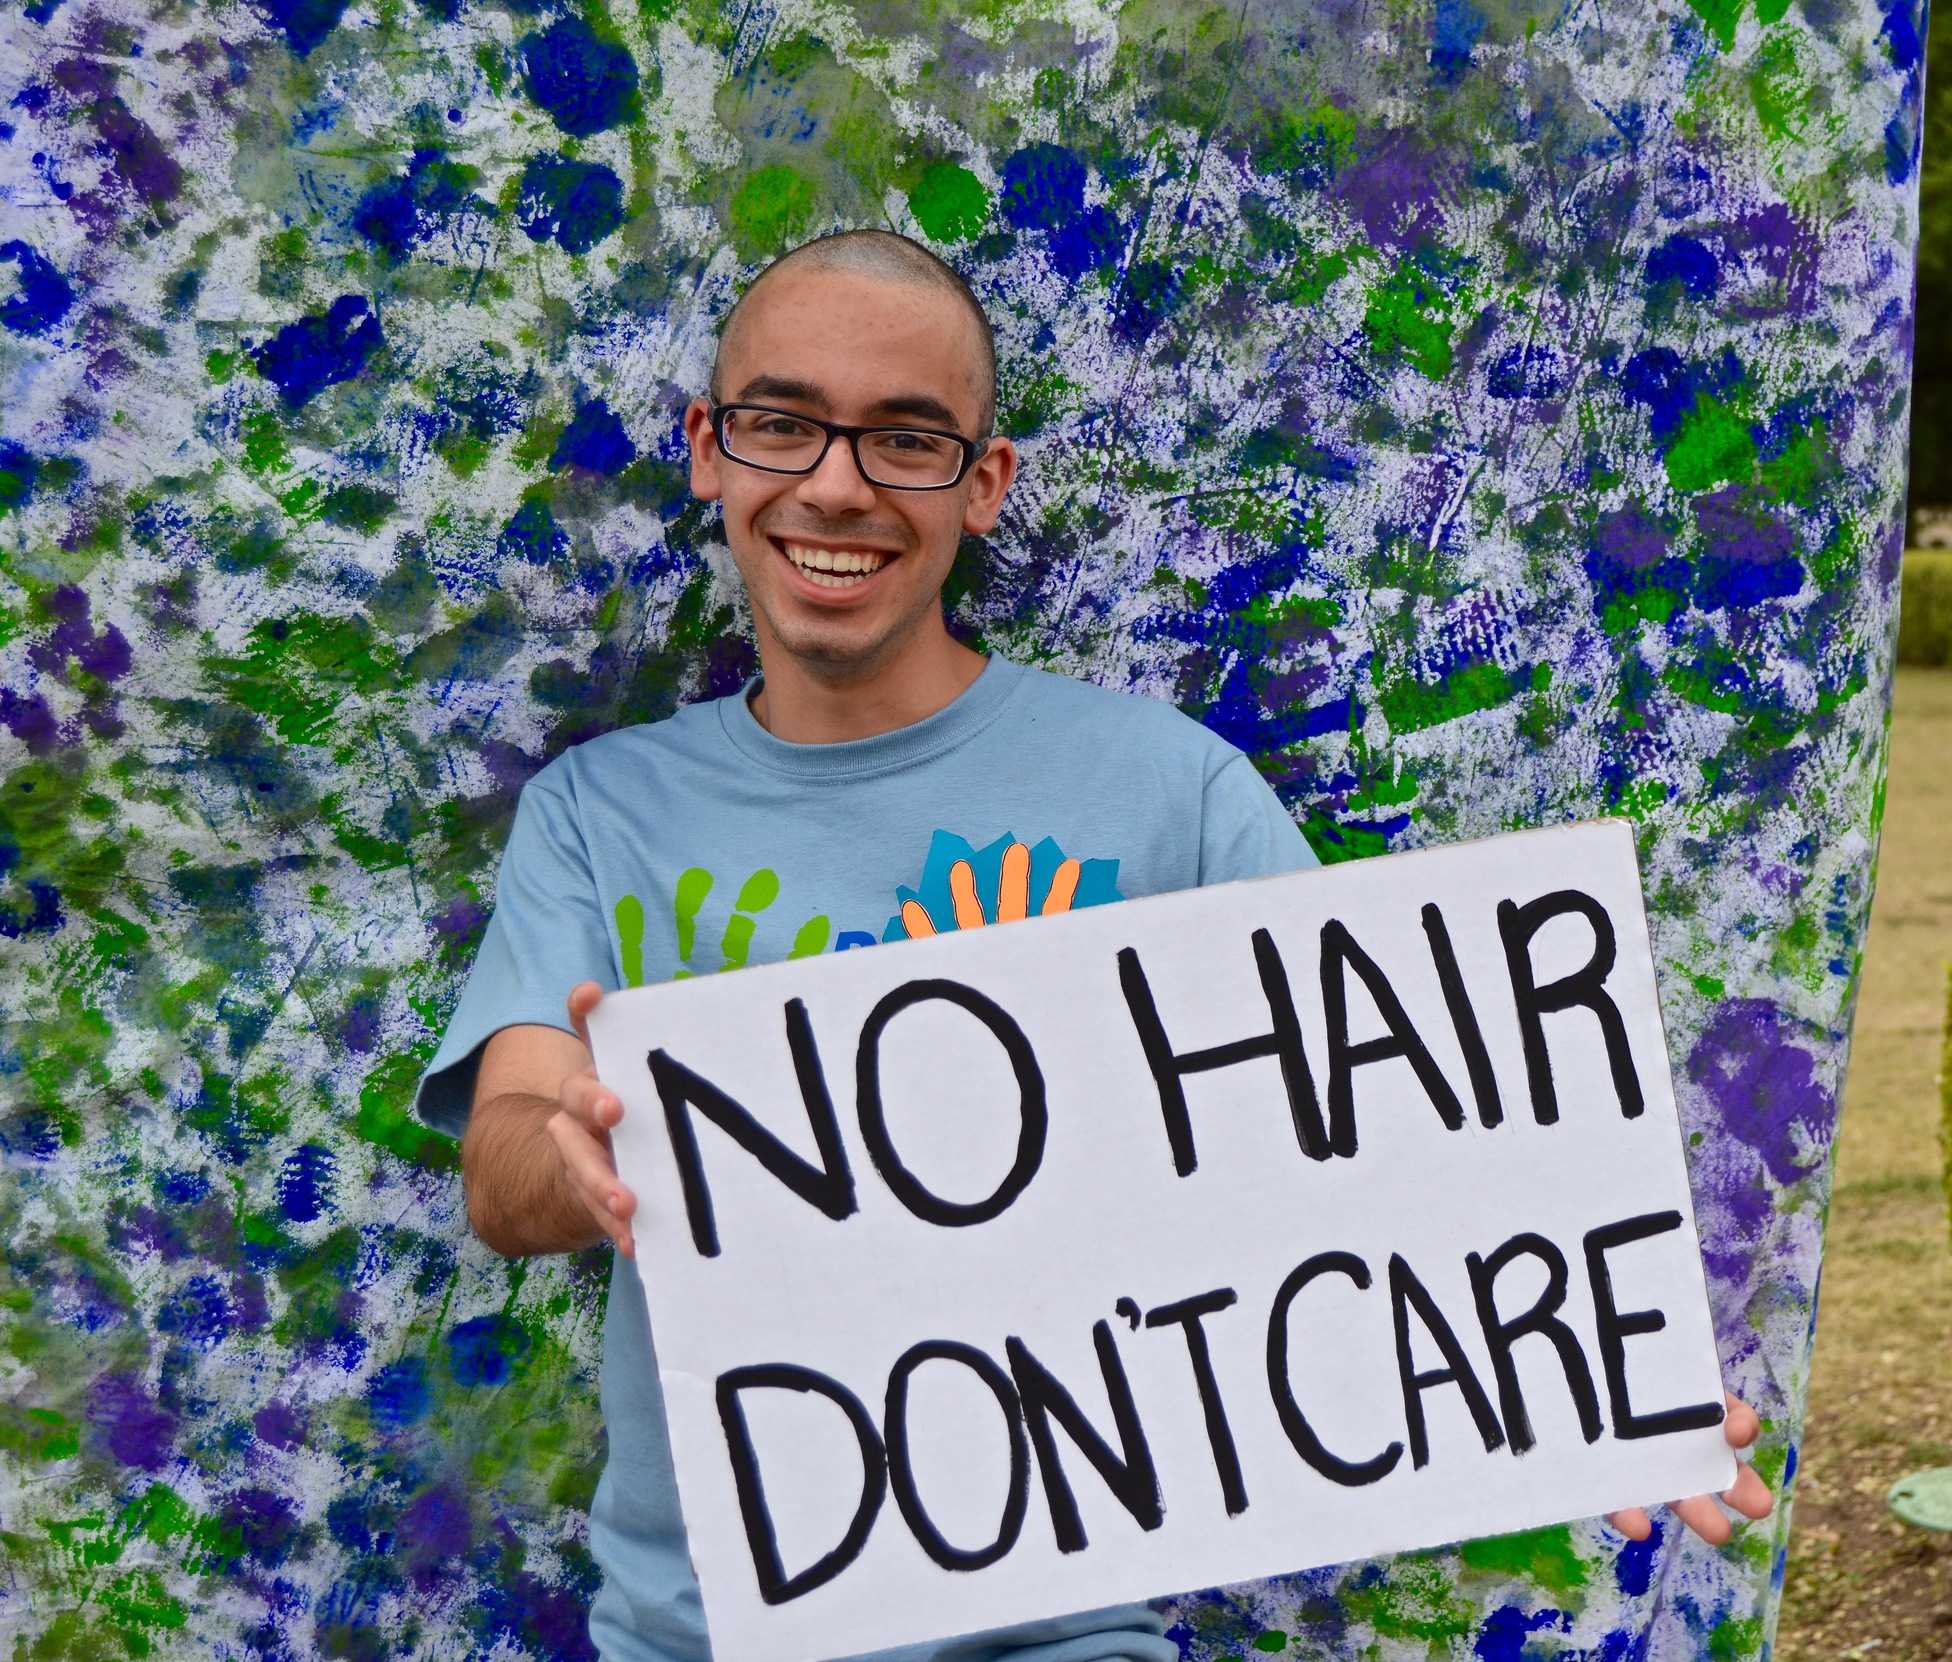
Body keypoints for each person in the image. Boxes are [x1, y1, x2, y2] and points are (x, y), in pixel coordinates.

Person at [415, 229, 1773, 1662]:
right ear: (709, 447)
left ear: (984, 484)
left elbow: (1393, 1157)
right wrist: (575, 1155)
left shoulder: (1168, 793)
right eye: (782, 423)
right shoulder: (597, 811)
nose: (835, 483)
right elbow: (506, 1166)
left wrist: (1594, 1388)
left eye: (907, 440)